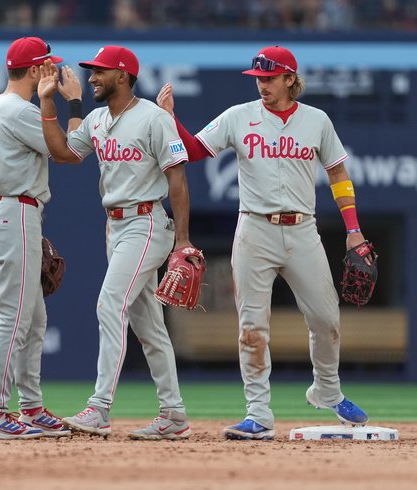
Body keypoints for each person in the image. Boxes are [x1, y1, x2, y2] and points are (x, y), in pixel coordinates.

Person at [156, 45, 370, 440]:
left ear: (291, 78)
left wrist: (353, 229)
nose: (262, 85)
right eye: (258, 78)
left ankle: (327, 390)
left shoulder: (316, 121)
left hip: (303, 229)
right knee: (252, 327)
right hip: (254, 229)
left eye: (269, 78)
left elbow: (338, 174)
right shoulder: (240, 116)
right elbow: (193, 150)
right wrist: (170, 120)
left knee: (326, 319)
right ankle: (258, 415)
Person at [38, 46, 195, 440]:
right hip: (116, 227)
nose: (91, 77)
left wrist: (183, 241)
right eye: (91, 71)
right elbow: (64, 154)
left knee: (110, 304)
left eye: (99, 71)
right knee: (149, 326)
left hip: (146, 223)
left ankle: (99, 407)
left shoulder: (155, 119)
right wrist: (54, 103)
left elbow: (177, 178)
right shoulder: (96, 119)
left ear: (122, 76)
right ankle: (174, 415)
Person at [0, 37, 80, 439]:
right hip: (14, 213)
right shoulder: (17, 110)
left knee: (34, 321)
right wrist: (72, 104)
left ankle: (31, 407)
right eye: (48, 66)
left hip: (12, 212)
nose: (53, 72)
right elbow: (69, 151)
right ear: (35, 71)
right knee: (15, 320)